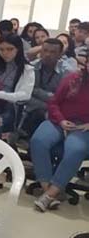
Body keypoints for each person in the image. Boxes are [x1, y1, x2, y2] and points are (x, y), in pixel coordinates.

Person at [30, 59, 89, 212]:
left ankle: (49, 195)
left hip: (83, 128)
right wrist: (61, 120)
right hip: (60, 120)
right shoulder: (73, 79)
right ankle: (47, 189)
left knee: (76, 150)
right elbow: (53, 103)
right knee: (38, 141)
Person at [19, 38, 74, 138]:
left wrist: (36, 92)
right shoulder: (32, 66)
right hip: (35, 106)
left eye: (53, 52)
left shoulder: (67, 72)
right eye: (45, 50)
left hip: (58, 111)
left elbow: (63, 100)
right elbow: (26, 94)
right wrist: (49, 102)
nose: (47, 54)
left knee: (38, 114)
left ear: (60, 54)